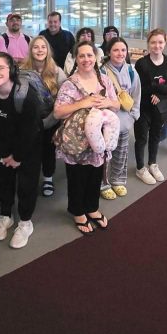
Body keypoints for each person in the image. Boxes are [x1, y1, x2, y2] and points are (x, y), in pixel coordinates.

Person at [54, 41, 121, 234]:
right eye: (81, 55)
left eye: (89, 55)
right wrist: (82, 103)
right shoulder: (69, 83)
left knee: (95, 175)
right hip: (76, 140)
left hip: (99, 138)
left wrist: (107, 101)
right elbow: (58, 112)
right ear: (75, 58)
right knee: (77, 176)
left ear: (96, 57)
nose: (86, 59)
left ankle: (91, 207)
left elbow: (117, 105)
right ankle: (77, 211)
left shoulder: (104, 80)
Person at [0, 51, 43, 249]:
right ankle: (6, 216)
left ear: (11, 70)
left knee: (26, 184)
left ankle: (25, 222)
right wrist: (5, 154)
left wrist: (18, 157)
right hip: (4, 143)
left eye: (1, 68)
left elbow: (30, 130)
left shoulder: (26, 95)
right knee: (3, 180)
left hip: (29, 145)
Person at [19, 35, 67, 198]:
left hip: (51, 119)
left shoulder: (57, 71)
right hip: (30, 122)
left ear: (48, 50)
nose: (39, 50)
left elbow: (64, 98)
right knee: (31, 151)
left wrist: (50, 120)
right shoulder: (22, 71)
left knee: (48, 150)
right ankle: (30, 178)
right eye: (36, 47)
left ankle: (48, 177)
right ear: (30, 50)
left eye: (43, 47)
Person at [133, 29, 167, 185]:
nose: (157, 45)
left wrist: (161, 93)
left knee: (155, 136)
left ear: (165, 44)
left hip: (160, 107)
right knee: (141, 138)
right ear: (148, 44)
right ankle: (140, 168)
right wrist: (158, 88)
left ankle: (152, 163)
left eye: (160, 42)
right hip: (143, 106)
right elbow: (139, 89)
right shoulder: (141, 63)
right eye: (153, 42)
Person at [98, 38, 140, 199]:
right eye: (116, 50)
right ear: (108, 52)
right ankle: (103, 183)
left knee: (121, 153)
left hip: (125, 121)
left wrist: (133, 116)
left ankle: (117, 180)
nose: (120, 53)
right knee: (105, 155)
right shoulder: (101, 71)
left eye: (123, 50)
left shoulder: (131, 70)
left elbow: (137, 93)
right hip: (107, 124)